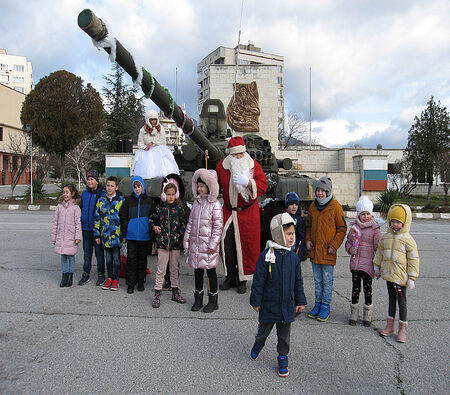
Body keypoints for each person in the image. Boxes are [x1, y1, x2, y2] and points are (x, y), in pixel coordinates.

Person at [250, 213, 307, 378]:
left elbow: (298, 282)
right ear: (278, 234)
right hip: (269, 305)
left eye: (293, 234)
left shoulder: (293, 258)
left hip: (286, 307)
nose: (292, 237)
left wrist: (300, 300)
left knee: (284, 337)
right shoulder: (266, 256)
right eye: (288, 234)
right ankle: (258, 344)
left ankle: (283, 357)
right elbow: (259, 281)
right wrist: (256, 301)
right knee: (263, 332)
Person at [216, 136, 268, 294]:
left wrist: (249, 183)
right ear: (230, 155)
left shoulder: (253, 165)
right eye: (236, 155)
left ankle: (242, 279)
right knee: (227, 244)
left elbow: (263, 184)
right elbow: (215, 184)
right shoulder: (222, 167)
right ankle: (230, 276)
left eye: (241, 154)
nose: (239, 157)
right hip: (228, 211)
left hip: (247, 213)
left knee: (246, 246)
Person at [374, 204, 419, 343]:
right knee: (391, 301)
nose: (395, 224)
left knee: (402, 302)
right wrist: (377, 266)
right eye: (392, 221)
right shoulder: (386, 237)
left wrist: (412, 277)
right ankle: (389, 326)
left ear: (404, 222)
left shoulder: (408, 239)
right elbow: (380, 253)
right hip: (389, 276)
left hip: (401, 278)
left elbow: (413, 258)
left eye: (398, 222)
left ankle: (402, 329)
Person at [305, 177, 347, 322]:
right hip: (315, 251)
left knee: (327, 281)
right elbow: (308, 226)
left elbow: (342, 228)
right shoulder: (313, 207)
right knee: (317, 280)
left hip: (328, 252)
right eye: (318, 190)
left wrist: (334, 245)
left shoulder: (335, 207)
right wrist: (308, 240)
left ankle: (325, 307)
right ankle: (317, 304)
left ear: (328, 191)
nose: (320, 193)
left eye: (323, 191)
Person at [183, 169, 223, 313]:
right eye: (198, 186)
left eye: (202, 186)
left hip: (208, 247)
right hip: (196, 245)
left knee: (211, 272)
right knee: (198, 272)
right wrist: (187, 241)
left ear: (209, 186)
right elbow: (190, 223)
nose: (199, 189)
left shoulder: (215, 205)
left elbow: (218, 227)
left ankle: (213, 301)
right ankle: (198, 299)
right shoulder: (196, 203)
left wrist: (213, 244)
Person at [149, 181, 188, 308]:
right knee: (161, 269)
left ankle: (175, 292)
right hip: (163, 244)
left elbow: (184, 223)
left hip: (175, 244)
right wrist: (155, 227)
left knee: (174, 269)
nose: (171, 197)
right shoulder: (160, 209)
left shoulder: (179, 209)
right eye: (168, 194)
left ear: (176, 195)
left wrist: (179, 235)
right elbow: (151, 219)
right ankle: (157, 294)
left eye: (173, 194)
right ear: (164, 195)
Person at [345, 196, 382, 326]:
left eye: (367, 214)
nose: (365, 217)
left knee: (368, 290)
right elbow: (348, 242)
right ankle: (354, 313)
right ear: (358, 214)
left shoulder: (375, 229)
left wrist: (378, 264)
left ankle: (367, 314)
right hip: (356, 264)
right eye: (362, 214)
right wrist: (350, 249)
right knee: (355, 289)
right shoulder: (354, 228)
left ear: (371, 214)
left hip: (368, 266)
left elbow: (379, 248)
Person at [119, 175, 153, 294]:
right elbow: (123, 215)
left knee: (142, 260)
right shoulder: (128, 201)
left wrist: (149, 228)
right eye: (135, 187)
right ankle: (130, 283)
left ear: (142, 187)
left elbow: (152, 217)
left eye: (139, 186)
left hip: (144, 236)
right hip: (132, 236)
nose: (137, 189)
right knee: (131, 260)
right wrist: (127, 228)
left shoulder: (149, 201)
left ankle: (140, 281)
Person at [93, 176, 125, 291]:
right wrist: (97, 234)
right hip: (105, 236)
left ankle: (116, 279)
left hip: (117, 236)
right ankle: (109, 278)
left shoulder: (121, 201)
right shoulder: (101, 201)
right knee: (109, 259)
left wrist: (124, 234)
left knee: (116, 259)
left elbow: (124, 218)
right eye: (108, 185)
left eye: (112, 186)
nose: (109, 188)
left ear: (116, 187)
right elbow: (97, 218)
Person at [78, 170, 106, 286]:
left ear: (97, 181)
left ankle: (101, 274)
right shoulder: (84, 194)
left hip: (97, 229)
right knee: (87, 253)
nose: (89, 181)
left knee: (99, 254)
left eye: (92, 179)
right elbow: (80, 208)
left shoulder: (101, 193)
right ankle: (86, 274)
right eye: (88, 179)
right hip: (86, 229)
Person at [51, 184, 82, 287]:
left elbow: (78, 223)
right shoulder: (59, 207)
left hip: (71, 237)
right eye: (63, 192)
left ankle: (70, 277)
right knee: (63, 257)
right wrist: (54, 236)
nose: (65, 194)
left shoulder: (76, 208)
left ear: (72, 194)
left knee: (71, 257)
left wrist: (77, 236)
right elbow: (55, 222)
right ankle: (64, 277)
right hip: (61, 237)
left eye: (67, 192)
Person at [134, 110, 179, 179]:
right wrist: (145, 148)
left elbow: (163, 142)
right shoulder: (143, 130)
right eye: (151, 119)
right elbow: (140, 143)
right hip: (146, 153)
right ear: (148, 120)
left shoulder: (161, 128)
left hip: (159, 152)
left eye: (155, 119)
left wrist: (153, 143)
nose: (154, 121)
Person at [284, 192, 306, 259]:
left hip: (296, 251)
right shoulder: (282, 217)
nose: (294, 207)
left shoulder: (299, 220)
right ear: (287, 206)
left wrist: (298, 252)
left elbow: (301, 237)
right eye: (291, 204)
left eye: (296, 204)